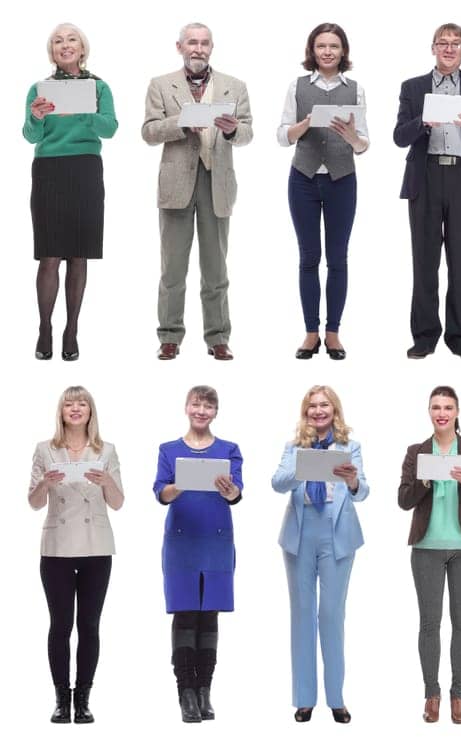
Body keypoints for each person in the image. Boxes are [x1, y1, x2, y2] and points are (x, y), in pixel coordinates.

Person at [142, 23, 253, 362]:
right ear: (180, 46)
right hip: (176, 185)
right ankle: (169, 336)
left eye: (204, 43)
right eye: (192, 42)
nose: (198, 49)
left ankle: (218, 337)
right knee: (172, 269)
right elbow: (148, 132)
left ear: (212, 47)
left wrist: (234, 130)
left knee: (216, 269)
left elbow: (248, 132)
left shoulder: (235, 86)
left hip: (216, 182)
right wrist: (180, 124)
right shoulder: (161, 84)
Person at [396, 23, 461, 360]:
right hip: (424, 178)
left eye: (456, 44)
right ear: (433, 48)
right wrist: (423, 122)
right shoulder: (413, 87)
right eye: (443, 43)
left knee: (460, 262)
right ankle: (425, 336)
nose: (449, 48)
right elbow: (399, 136)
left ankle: (460, 336)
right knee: (424, 261)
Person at [270, 385, 368, 723]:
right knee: (301, 615)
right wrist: (303, 468)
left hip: (337, 534)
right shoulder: (294, 446)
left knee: (330, 615)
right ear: (305, 411)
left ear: (334, 409)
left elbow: (362, 492)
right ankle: (304, 699)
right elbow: (277, 483)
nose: (318, 411)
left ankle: (337, 699)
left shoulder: (349, 447)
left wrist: (353, 480)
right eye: (312, 406)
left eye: (324, 405)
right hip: (300, 535)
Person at [398, 385, 461, 724]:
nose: (442, 412)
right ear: (429, 411)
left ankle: (459, 695)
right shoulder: (416, 452)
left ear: (457, 411)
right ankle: (431, 694)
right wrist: (423, 481)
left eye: (448, 407)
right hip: (426, 548)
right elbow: (403, 501)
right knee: (429, 624)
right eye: (436, 407)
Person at [29, 386, 124, 723]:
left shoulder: (107, 450)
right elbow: (34, 502)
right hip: (56, 548)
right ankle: (60, 699)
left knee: (89, 625)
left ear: (91, 411)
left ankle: (83, 699)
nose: (75, 408)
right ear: (61, 411)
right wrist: (46, 483)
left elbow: (118, 502)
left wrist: (106, 480)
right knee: (60, 625)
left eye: (81, 403)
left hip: (96, 547)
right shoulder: (45, 450)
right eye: (69, 403)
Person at [24, 23, 116, 361]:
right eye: (58, 41)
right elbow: (31, 135)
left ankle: (71, 328)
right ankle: (45, 326)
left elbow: (111, 128)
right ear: (53, 51)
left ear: (82, 47)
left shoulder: (99, 87)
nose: (65, 45)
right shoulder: (39, 88)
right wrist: (36, 117)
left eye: (71, 39)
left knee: (78, 253)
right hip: (49, 170)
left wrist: (85, 111)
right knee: (49, 254)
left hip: (86, 170)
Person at [153, 384, 243, 723]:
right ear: (186, 407)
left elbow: (236, 494)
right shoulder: (169, 450)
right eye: (196, 404)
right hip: (181, 539)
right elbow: (161, 493)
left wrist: (231, 489)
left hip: (217, 539)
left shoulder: (229, 450)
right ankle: (185, 692)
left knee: (210, 616)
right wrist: (181, 484)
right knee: (185, 613)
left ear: (215, 412)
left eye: (208, 406)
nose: (201, 410)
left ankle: (206, 690)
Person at [278, 24, 368, 360]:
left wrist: (351, 137)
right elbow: (281, 134)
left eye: (333, 46)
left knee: (338, 258)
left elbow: (364, 144)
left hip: (342, 179)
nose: (327, 51)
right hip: (303, 177)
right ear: (312, 51)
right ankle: (310, 332)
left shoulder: (355, 89)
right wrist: (304, 125)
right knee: (308, 258)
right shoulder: (297, 86)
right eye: (321, 46)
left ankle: (333, 333)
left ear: (343, 51)